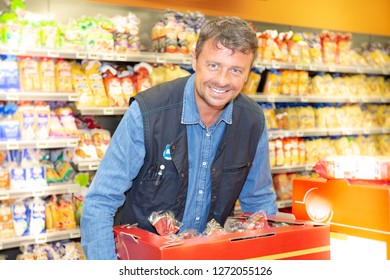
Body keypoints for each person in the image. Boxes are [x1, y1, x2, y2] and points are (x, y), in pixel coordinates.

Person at [81, 16, 277, 260]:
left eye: (235, 70)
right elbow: (100, 202)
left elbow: (258, 202)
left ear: (248, 74)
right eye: (213, 65)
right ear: (194, 60)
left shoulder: (251, 121)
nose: (222, 80)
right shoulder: (148, 112)